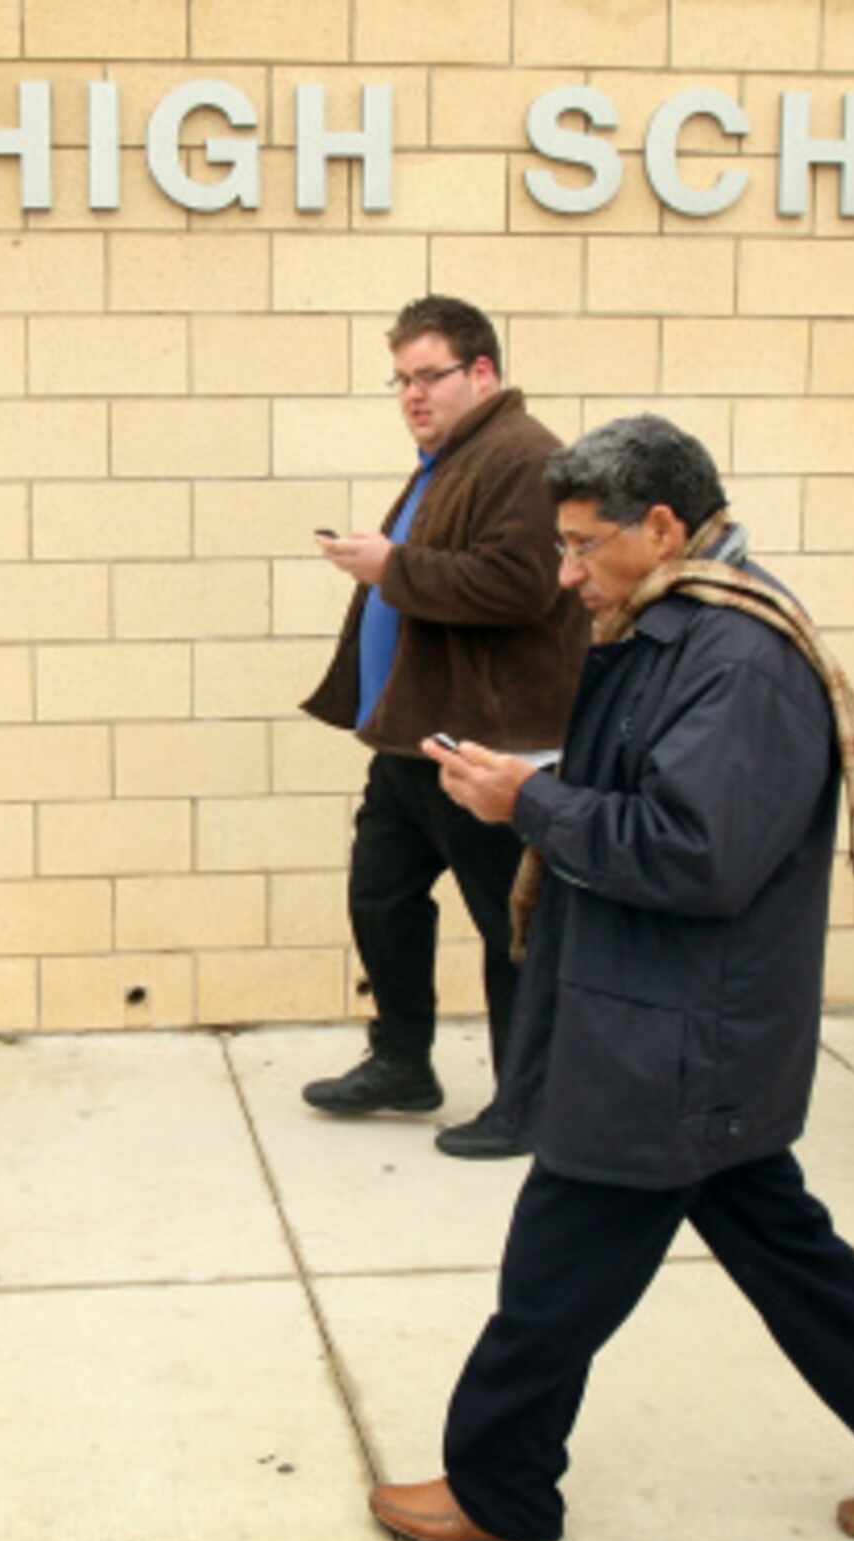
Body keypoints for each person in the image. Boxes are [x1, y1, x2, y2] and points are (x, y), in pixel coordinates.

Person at [366, 415, 854, 1541]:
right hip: (677, 1025)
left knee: (551, 1285)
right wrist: (539, 790)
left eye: (580, 546)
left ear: (661, 525)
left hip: (670, 1042)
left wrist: (529, 805)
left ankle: (500, 1490)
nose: (565, 575)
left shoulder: (738, 658)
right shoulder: (674, 623)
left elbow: (695, 853)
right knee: (789, 1260)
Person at [298, 294, 589, 1160]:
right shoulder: (450, 458)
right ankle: (401, 1062)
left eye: (430, 376)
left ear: (484, 373)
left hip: (485, 747)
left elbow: (521, 586)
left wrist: (393, 565)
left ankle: (529, 1101)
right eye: (401, 379)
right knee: (379, 896)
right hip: (411, 737)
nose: (412, 395)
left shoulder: (527, 458)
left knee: (510, 928)